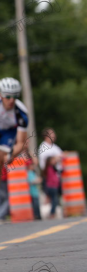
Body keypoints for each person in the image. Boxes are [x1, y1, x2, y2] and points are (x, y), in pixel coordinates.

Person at [0, 77, 29, 221]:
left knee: (2, 157)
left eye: (14, 96)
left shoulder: (21, 112)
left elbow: (21, 142)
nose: (11, 100)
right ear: (1, 95)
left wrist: (11, 155)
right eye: (7, 96)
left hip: (9, 133)